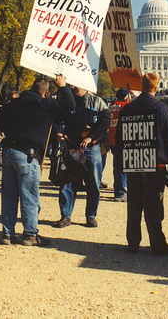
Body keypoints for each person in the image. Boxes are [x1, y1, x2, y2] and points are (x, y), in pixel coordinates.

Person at [0, 75, 74, 246]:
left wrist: (11, 131)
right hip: (28, 155)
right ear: (46, 94)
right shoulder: (45, 104)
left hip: (9, 151)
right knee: (29, 196)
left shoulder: (15, 103)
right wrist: (62, 86)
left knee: (9, 196)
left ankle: (7, 234)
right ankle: (30, 234)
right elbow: (70, 105)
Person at [115, 73, 168, 255]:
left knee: (134, 205)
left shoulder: (127, 109)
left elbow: (120, 138)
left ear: (141, 86)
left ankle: (133, 243)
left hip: (133, 163)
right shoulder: (161, 108)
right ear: (156, 87)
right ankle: (157, 244)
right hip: (155, 165)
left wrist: (121, 160)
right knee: (154, 206)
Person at [55, 85, 110, 228]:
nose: (73, 87)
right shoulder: (67, 101)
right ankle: (65, 216)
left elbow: (105, 122)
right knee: (66, 183)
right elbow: (57, 119)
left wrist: (91, 138)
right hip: (71, 148)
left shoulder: (97, 102)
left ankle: (91, 216)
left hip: (91, 149)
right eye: (71, 84)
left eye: (76, 84)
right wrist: (58, 132)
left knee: (93, 185)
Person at [108, 88, 131, 201]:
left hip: (112, 139)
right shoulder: (126, 106)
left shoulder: (111, 106)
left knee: (117, 166)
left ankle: (119, 189)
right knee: (123, 167)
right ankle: (121, 192)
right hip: (123, 139)